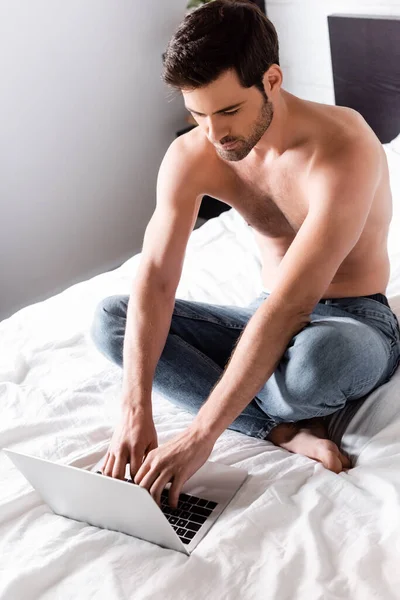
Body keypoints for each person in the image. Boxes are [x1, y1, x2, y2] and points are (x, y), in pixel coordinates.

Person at [90, 0, 400, 509]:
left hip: (354, 321)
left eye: (229, 110)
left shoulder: (345, 147)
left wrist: (199, 437)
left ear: (271, 80)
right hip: (264, 311)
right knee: (112, 320)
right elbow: (156, 276)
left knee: (316, 369)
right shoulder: (194, 153)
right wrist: (134, 405)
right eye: (197, 114)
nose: (214, 133)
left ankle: (269, 410)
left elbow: (293, 306)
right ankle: (278, 429)